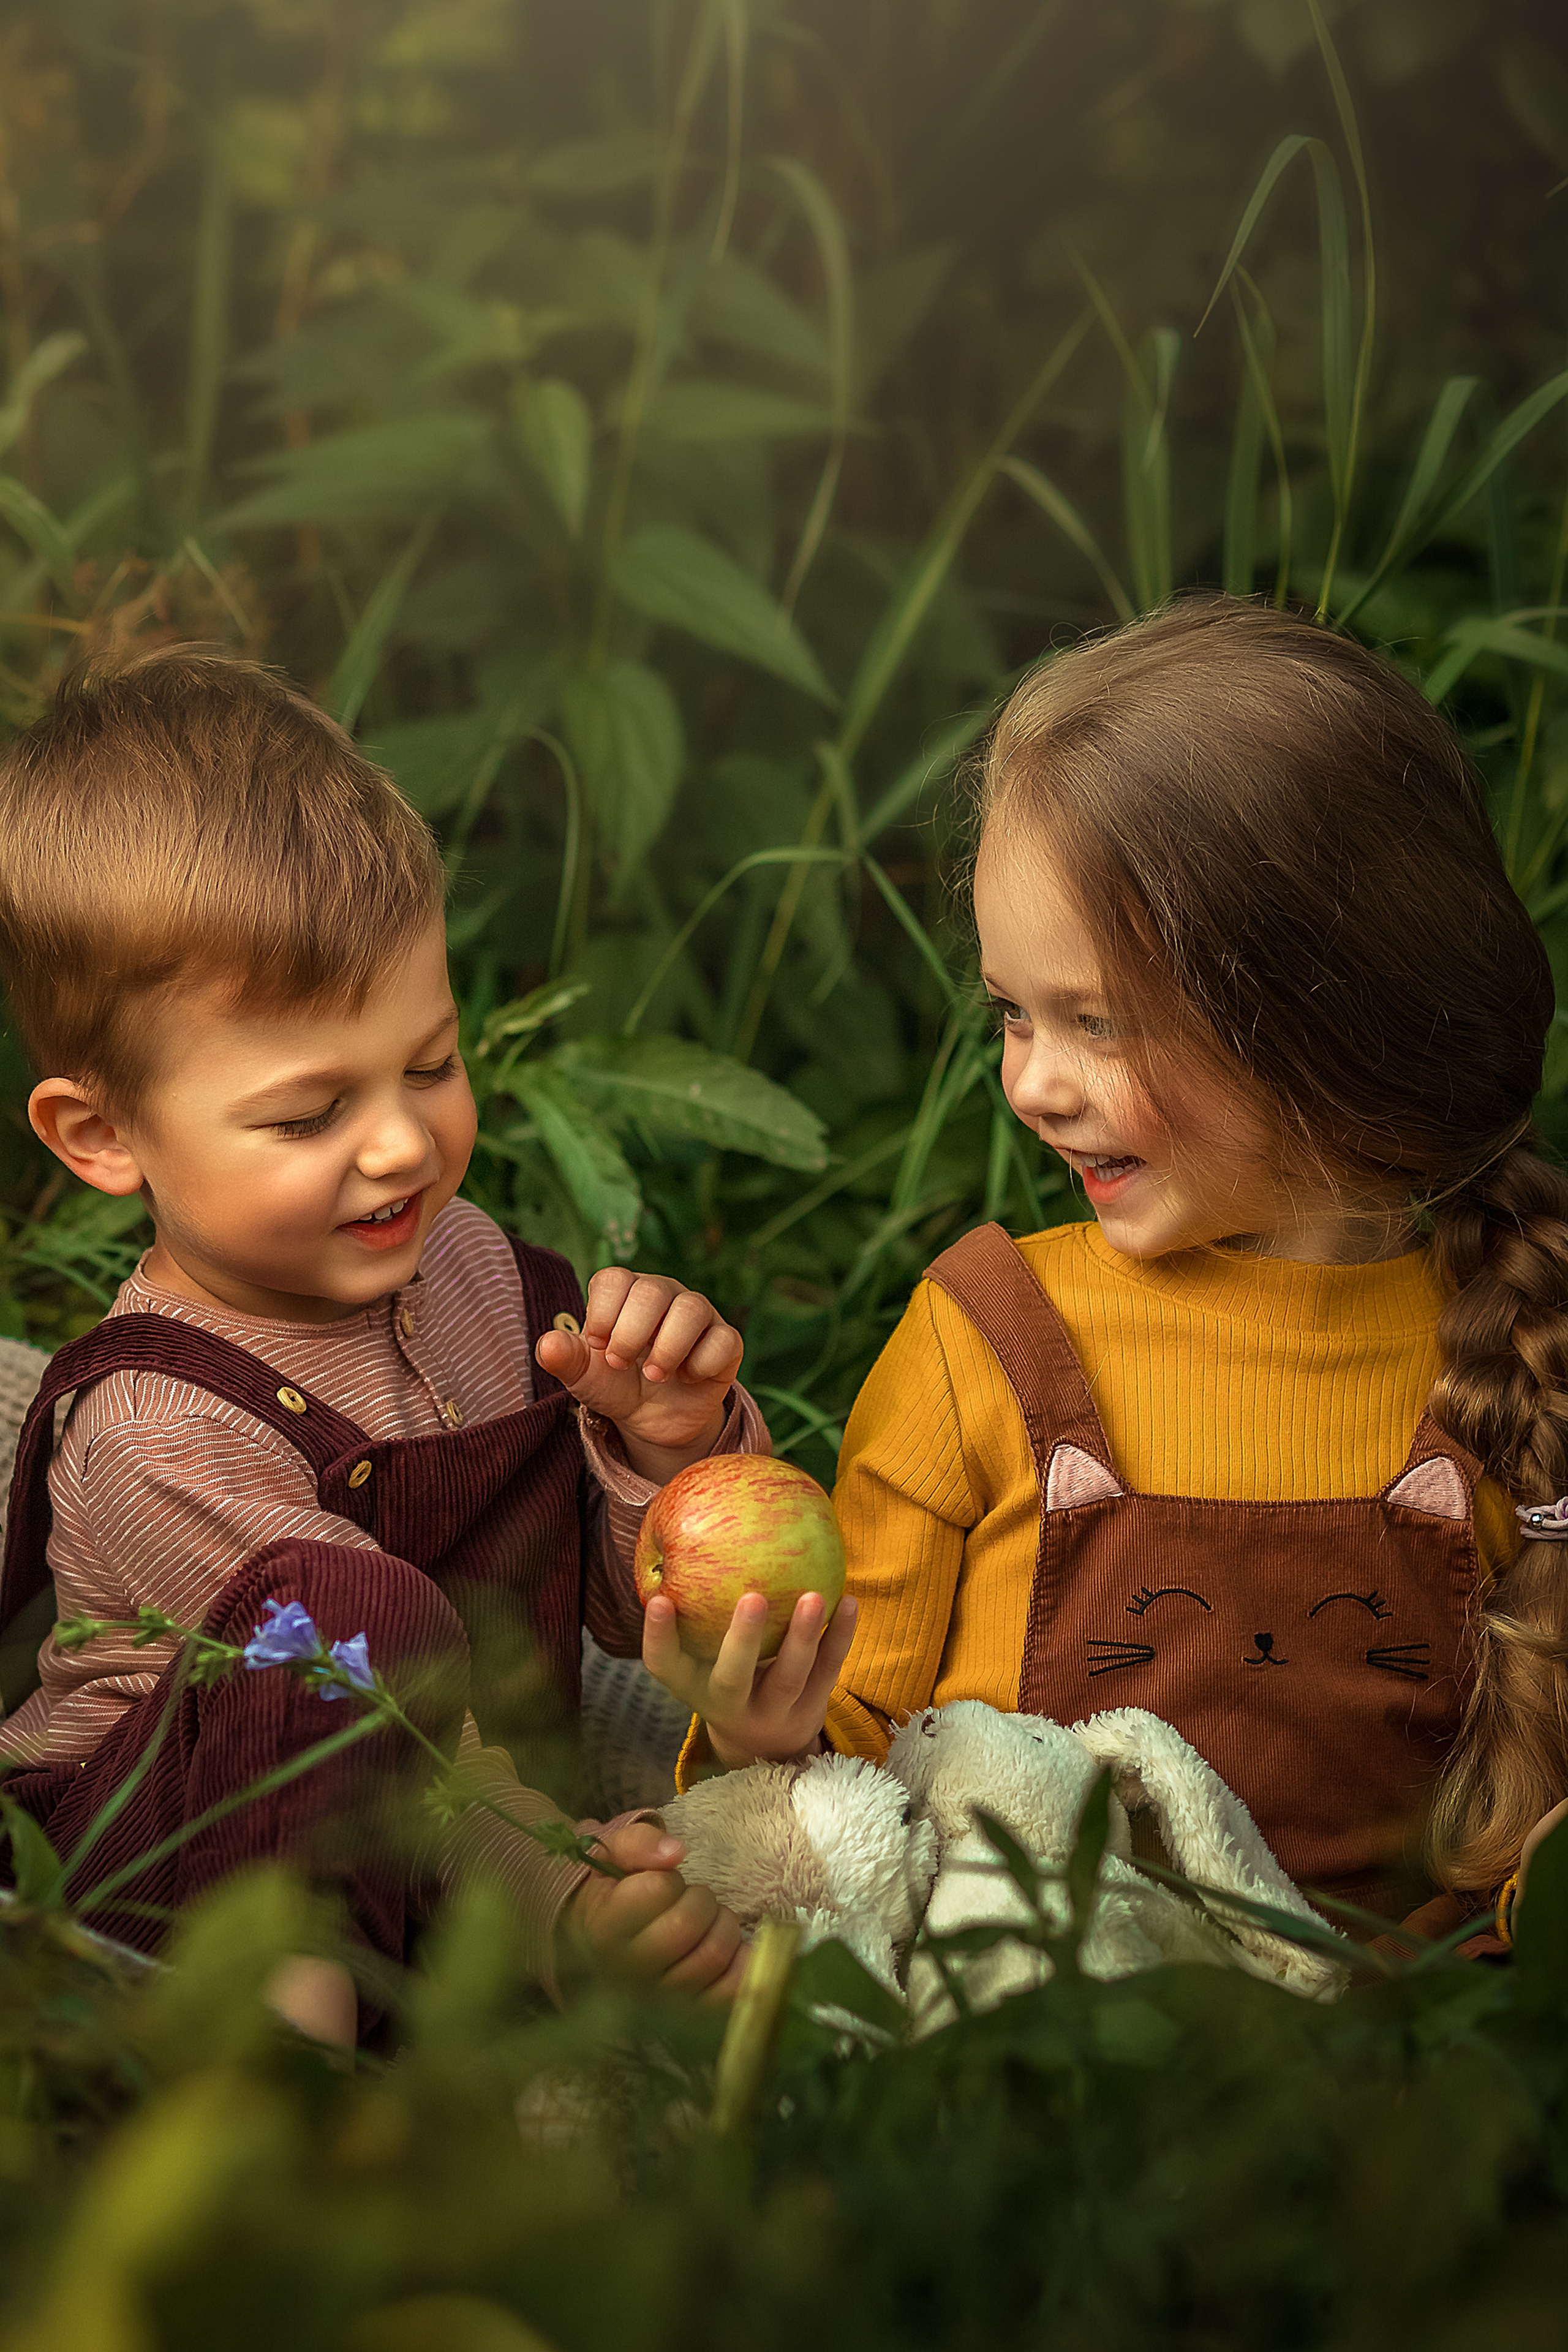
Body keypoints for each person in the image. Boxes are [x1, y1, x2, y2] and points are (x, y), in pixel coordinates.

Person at [650, 595, 1568, 1937]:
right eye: (1012, 1014)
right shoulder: (989, 1338)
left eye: (1095, 1022)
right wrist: (751, 1730)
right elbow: (848, 1768)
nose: (1031, 1083)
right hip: (1017, 2029)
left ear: (1327, 1022)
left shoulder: (1507, 1348)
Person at [0, 647, 765, 2040]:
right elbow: (375, 1717)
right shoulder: (155, 1432)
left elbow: (599, 1619)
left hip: (465, 1854)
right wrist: (564, 1907)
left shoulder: (471, 1271)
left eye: (430, 1063)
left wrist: (665, 1453)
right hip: (176, 1886)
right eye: (309, 1115)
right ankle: (286, 2105)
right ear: (102, 1136)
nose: (406, 1141)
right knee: (340, 1625)